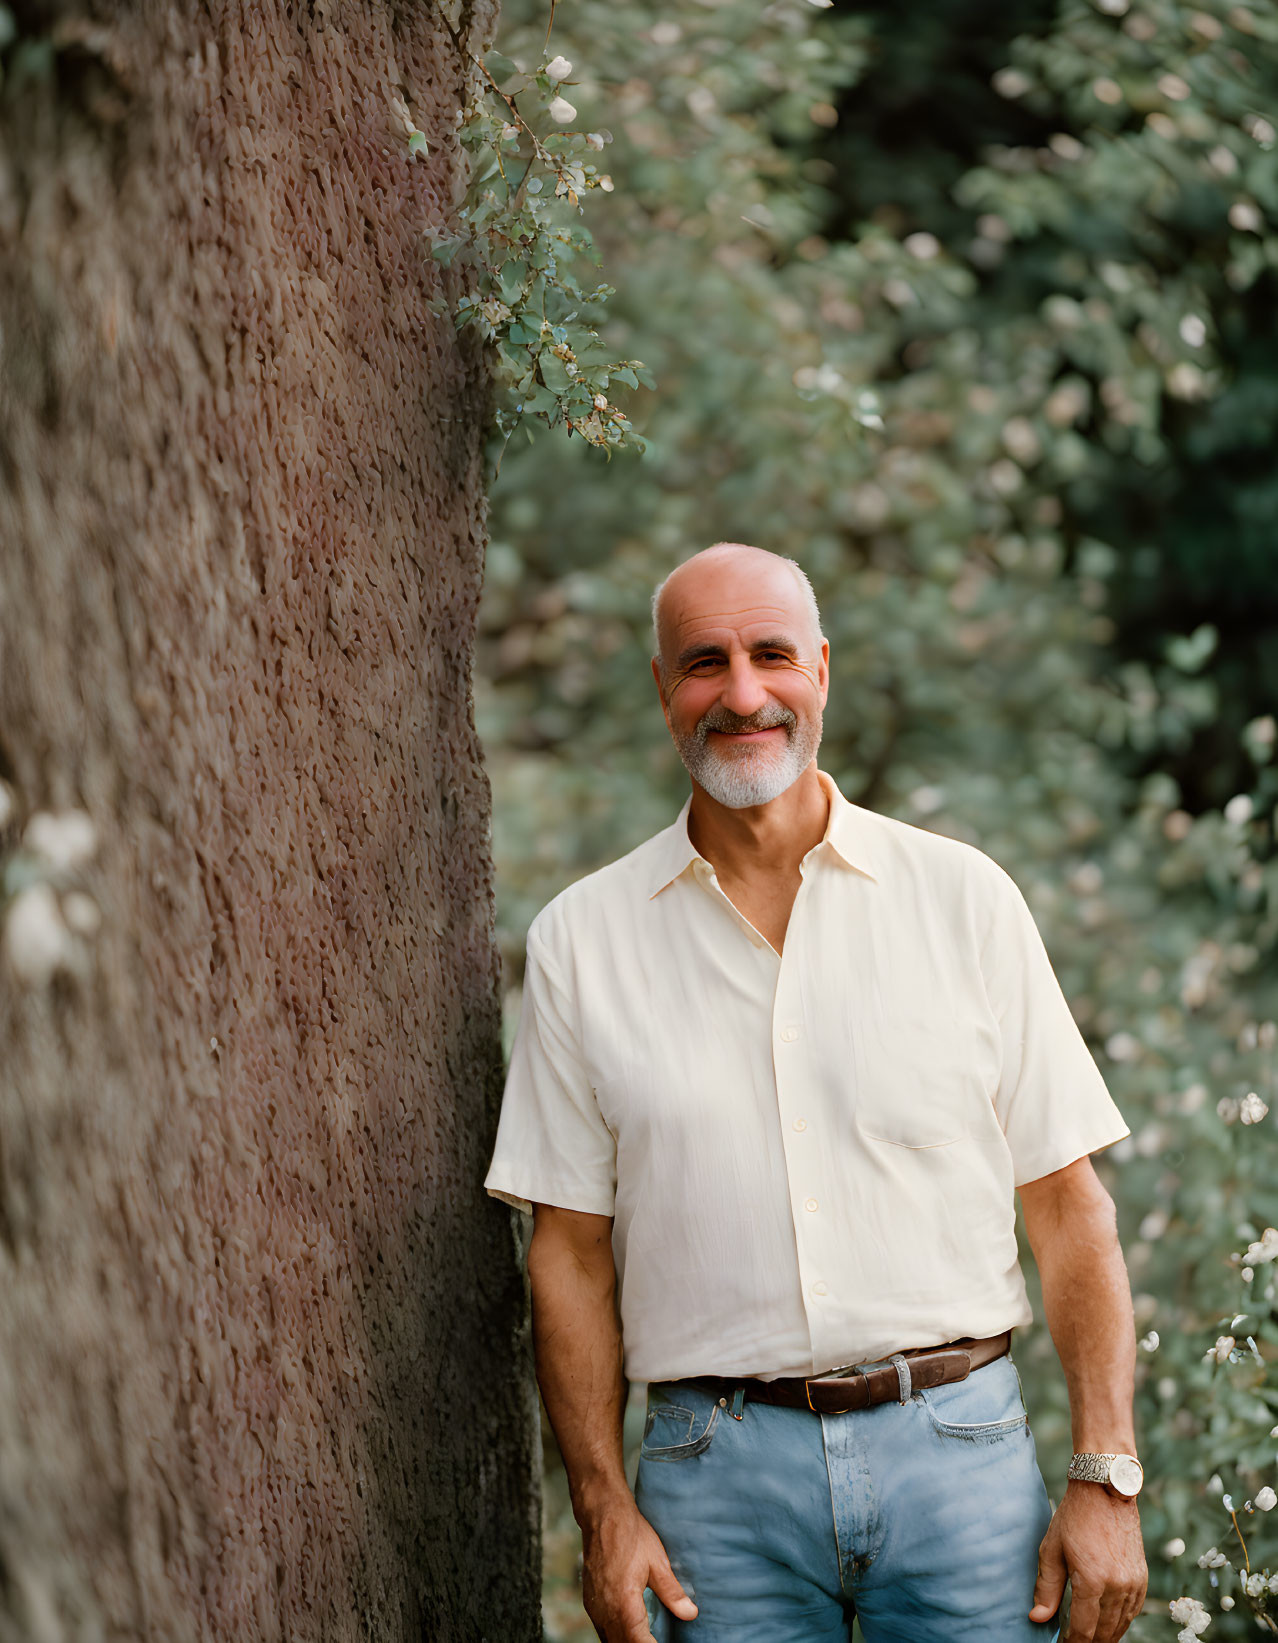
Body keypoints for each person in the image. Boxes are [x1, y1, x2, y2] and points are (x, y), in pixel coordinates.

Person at [484, 542, 1149, 1643]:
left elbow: (1072, 1210)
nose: (742, 693)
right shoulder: (581, 942)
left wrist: (1106, 1474)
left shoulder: (963, 899)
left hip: (963, 1464)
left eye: (771, 654)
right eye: (705, 662)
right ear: (663, 690)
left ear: (822, 671)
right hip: (713, 1491)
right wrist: (604, 1510)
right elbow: (568, 1251)